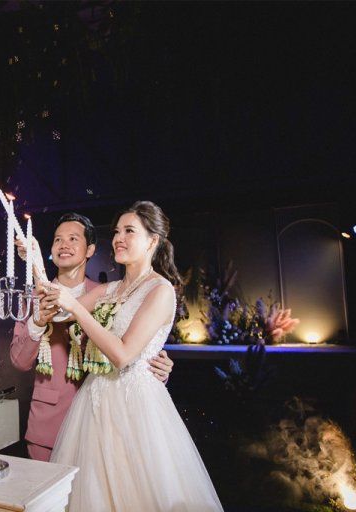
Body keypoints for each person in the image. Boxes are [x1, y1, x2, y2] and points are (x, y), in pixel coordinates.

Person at [42, 201, 223, 511]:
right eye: (116, 232)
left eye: (129, 231)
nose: (118, 239)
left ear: (152, 241)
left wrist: (76, 310)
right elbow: (59, 316)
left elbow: (123, 354)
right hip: (94, 404)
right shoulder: (109, 289)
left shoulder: (160, 290)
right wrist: (35, 261)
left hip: (136, 407)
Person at [9, 212, 175, 462]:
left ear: (90, 250)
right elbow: (19, 361)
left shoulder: (109, 294)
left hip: (105, 424)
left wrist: (154, 362)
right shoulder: (32, 298)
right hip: (48, 427)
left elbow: (128, 345)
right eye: (57, 240)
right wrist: (37, 316)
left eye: (73, 239)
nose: (64, 245)